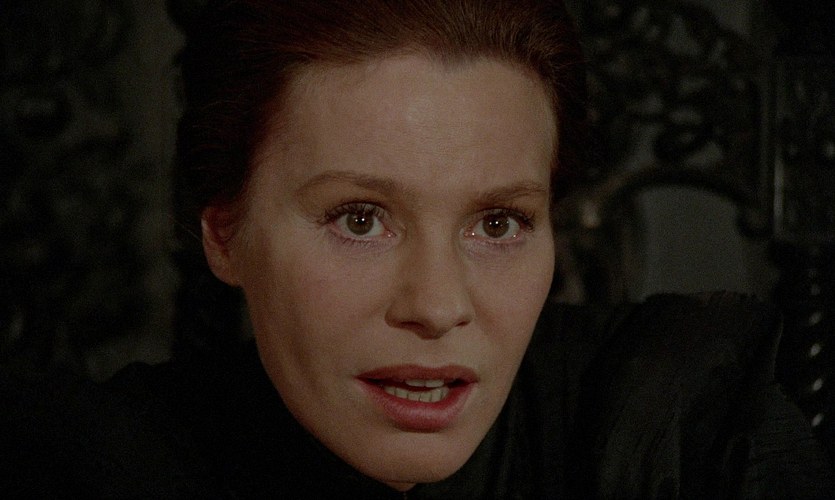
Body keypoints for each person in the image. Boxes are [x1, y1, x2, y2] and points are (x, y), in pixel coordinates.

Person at [1, 0, 833, 497]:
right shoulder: (78, 467)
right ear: (224, 232)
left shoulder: (685, 432)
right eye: (359, 219)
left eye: (497, 223)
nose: (437, 306)